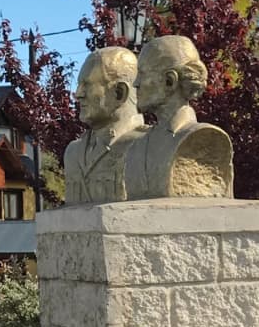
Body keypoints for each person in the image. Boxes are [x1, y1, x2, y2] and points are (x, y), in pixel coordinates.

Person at [123, 35, 233, 200]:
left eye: (143, 74)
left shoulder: (204, 138)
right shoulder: (137, 146)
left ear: (170, 81)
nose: (136, 83)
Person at [63, 47, 147, 204]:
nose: (78, 94)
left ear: (119, 93)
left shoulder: (146, 146)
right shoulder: (73, 152)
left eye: (87, 85)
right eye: (79, 85)